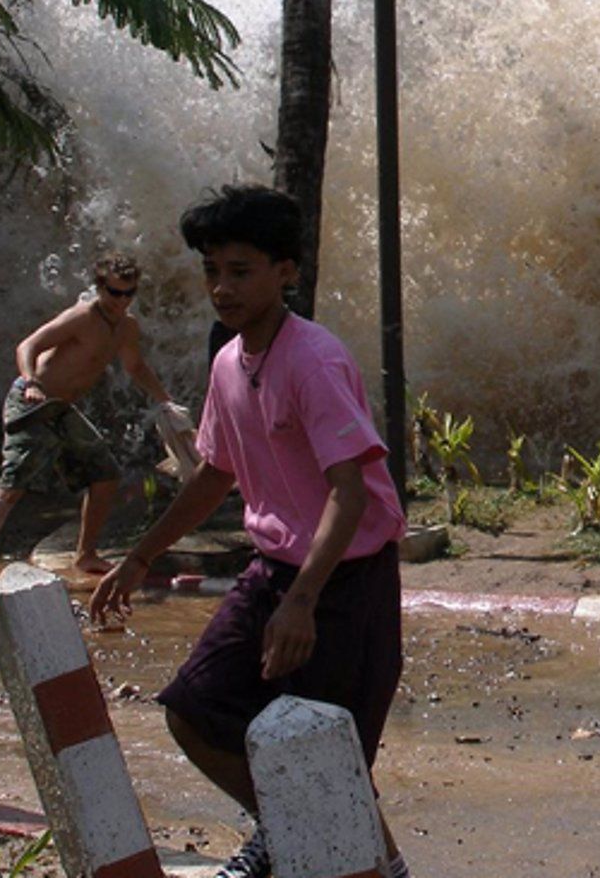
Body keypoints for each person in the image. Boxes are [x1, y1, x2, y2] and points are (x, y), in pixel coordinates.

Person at [89, 186, 411, 878]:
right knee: (195, 710)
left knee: (330, 757)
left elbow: (349, 495)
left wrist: (304, 602)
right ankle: (282, 828)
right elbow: (213, 475)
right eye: (211, 271)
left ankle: (381, 867)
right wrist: (140, 556)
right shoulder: (230, 362)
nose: (221, 288)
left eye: (240, 271)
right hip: (273, 572)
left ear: (285, 272)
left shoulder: (314, 360)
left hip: (343, 580)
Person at [0, 252, 181, 598]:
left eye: (129, 293)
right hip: (32, 403)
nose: (121, 301)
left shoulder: (126, 327)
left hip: (63, 409)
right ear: (99, 287)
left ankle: (86, 554)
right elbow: (28, 345)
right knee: (12, 486)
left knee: (105, 475)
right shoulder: (81, 317)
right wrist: (31, 381)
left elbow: (136, 367)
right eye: (114, 292)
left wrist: (165, 400)